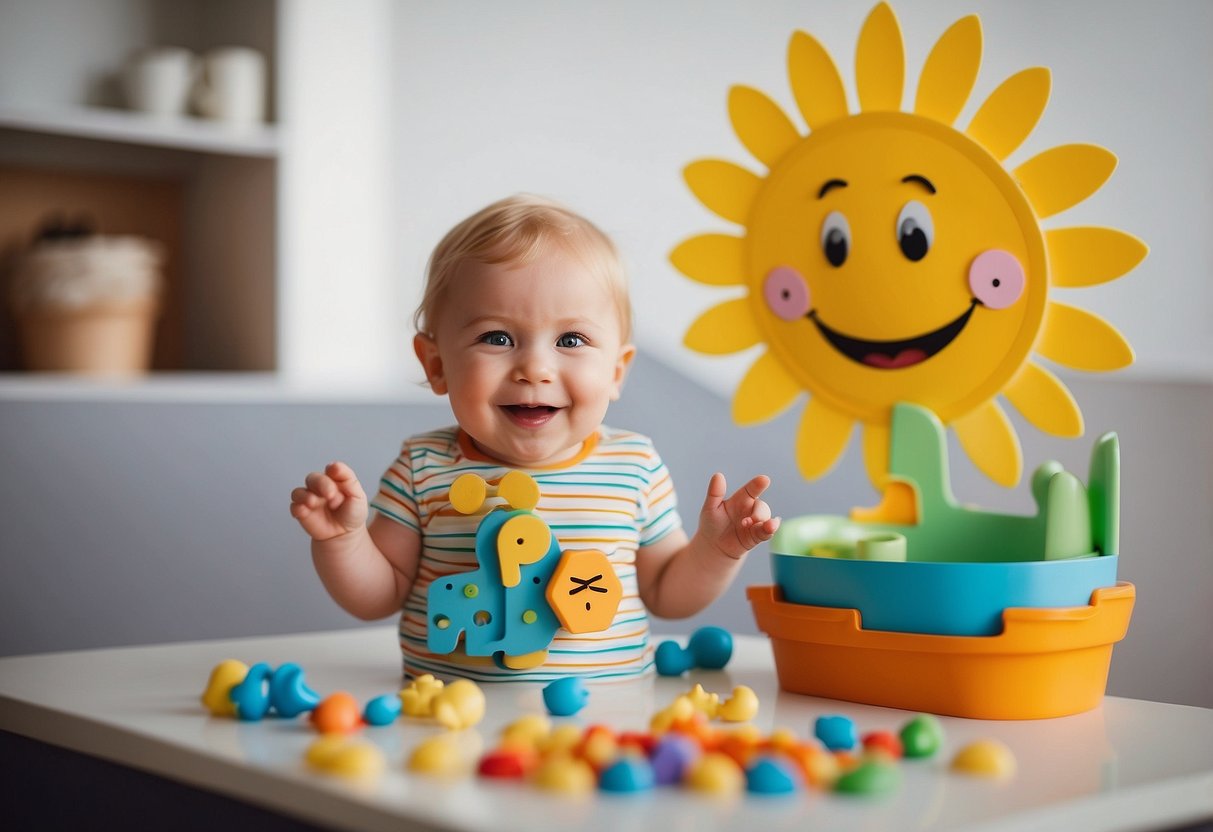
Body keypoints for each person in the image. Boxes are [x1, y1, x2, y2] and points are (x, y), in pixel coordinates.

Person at [290, 194, 779, 681]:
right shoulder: (423, 467)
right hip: (447, 720)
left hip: (606, 719)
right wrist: (343, 541)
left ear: (616, 370)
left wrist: (717, 552)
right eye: (497, 338)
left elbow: (668, 595)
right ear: (436, 365)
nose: (535, 369)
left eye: (571, 340)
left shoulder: (634, 465)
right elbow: (379, 596)